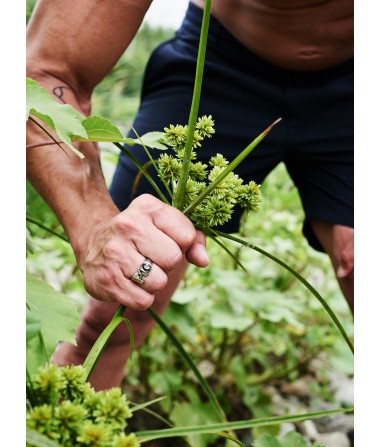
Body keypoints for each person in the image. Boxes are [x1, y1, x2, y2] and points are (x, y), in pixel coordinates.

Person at [26, 0, 354, 390]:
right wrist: (94, 225)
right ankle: (60, 442)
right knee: (118, 309)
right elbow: (42, 76)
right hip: (218, 67)